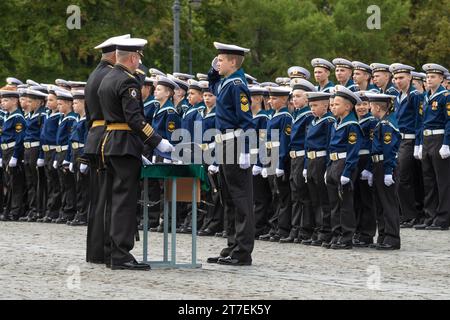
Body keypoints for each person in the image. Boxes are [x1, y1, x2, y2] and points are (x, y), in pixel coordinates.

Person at [98, 37, 173, 270]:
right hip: (124, 144)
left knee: (113, 199)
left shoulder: (107, 78)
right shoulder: (127, 82)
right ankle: (121, 254)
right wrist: (157, 141)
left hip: (110, 143)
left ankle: (112, 251)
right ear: (132, 58)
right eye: (138, 57)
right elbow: (134, 119)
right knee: (125, 201)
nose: (139, 61)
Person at [206, 42, 254, 266]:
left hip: (236, 143)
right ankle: (232, 245)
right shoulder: (226, 83)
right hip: (225, 143)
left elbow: (247, 121)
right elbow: (213, 85)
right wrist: (212, 69)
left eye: (221, 60)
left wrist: (246, 151)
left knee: (240, 198)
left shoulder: (237, 85)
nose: (218, 63)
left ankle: (243, 251)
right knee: (228, 197)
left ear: (233, 62)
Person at [84, 34, 130, 264]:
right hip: (109, 137)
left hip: (95, 136)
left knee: (99, 199)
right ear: (115, 55)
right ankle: (105, 250)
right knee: (108, 199)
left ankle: (96, 251)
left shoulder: (95, 75)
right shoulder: (110, 75)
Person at [326, 85, 363, 250]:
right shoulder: (336, 123)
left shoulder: (352, 125)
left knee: (345, 203)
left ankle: (347, 236)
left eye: (337, 104)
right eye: (332, 104)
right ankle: (336, 234)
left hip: (343, 164)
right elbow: (331, 148)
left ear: (348, 106)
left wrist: (347, 171)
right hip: (334, 163)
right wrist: (328, 168)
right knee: (334, 203)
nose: (333, 107)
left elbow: (353, 151)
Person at [414, 64, 450, 230]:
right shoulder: (426, 97)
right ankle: (430, 216)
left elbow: (449, 121)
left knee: (442, 180)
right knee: (428, 180)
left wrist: (446, 143)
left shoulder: (445, 96)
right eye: (427, 77)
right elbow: (421, 122)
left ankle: (442, 218)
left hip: (439, 137)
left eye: (433, 77)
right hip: (427, 139)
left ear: (441, 79)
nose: (429, 79)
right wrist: (420, 144)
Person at [389, 63, 424, 228]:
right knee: (399, 177)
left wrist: (419, 143)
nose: (397, 81)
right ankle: (404, 213)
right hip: (399, 140)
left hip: (409, 140)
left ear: (410, 77)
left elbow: (419, 120)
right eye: (395, 78)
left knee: (405, 177)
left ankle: (411, 214)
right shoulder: (397, 96)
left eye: (401, 77)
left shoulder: (415, 95)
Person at [366, 92, 401, 249]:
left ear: (378, 107)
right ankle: (383, 235)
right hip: (378, 165)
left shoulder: (387, 124)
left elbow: (388, 150)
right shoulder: (381, 123)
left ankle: (392, 238)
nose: (369, 108)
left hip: (385, 166)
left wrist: (388, 171)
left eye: (371, 106)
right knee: (380, 202)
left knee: (388, 203)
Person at [303, 91, 335, 246]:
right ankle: (318, 229)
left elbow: (330, 144)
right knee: (314, 198)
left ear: (326, 105)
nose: (312, 109)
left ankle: (326, 231)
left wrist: (329, 166)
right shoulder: (313, 120)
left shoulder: (328, 121)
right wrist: (305, 165)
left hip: (321, 160)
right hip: (311, 159)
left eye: (315, 105)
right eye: (310, 106)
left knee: (324, 199)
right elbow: (306, 144)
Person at [263, 86, 293, 243]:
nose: (270, 101)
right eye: (270, 98)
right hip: (270, 155)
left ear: (283, 100)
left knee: (282, 194)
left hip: (278, 155)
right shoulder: (274, 115)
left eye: (274, 98)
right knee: (274, 193)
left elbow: (284, 141)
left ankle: (282, 228)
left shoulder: (285, 117)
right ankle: (274, 226)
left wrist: (281, 163)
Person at [287, 79, 315, 243]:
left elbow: (307, 141)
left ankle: (304, 229)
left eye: (298, 96)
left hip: (302, 156)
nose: (294, 99)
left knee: (302, 195)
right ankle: (296, 227)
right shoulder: (296, 114)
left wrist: (305, 163)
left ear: (307, 99)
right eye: (293, 96)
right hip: (294, 157)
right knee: (295, 194)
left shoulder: (307, 116)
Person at [353, 91, 378, 247]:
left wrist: (369, 168)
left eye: (364, 104)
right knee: (356, 199)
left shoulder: (372, 122)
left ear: (370, 105)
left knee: (367, 200)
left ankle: (367, 233)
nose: (361, 107)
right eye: (358, 104)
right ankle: (358, 230)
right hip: (356, 160)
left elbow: (373, 145)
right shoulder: (358, 121)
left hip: (366, 160)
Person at [19, 89, 48, 222]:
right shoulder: (30, 115)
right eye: (28, 101)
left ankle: (39, 209)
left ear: (40, 102)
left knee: (38, 181)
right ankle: (32, 209)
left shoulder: (42, 115)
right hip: (28, 149)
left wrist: (41, 155)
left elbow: (43, 136)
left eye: (31, 101)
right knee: (30, 181)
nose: (28, 103)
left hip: (36, 148)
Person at [248, 86, 272, 239]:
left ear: (258, 99)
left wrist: (259, 162)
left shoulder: (263, 118)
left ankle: (259, 225)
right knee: (251, 195)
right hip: (248, 158)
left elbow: (263, 141)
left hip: (258, 159)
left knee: (260, 196)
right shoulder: (248, 116)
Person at [0, 89, 26, 221]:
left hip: (12, 151)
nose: (2, 103)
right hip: (5, 152)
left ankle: (15, 211)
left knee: (15, 183)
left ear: (15, 101)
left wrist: (15, 156)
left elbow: (19, 138)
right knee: (7, 182)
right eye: (2, 100)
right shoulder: (8, 116)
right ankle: (8, 208)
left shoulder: (17, 117)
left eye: (6, 100)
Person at [37, 86, 62, 223]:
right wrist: (41, 155)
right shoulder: (48, 115)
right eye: (47, 100)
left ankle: (54, 210)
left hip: (54, 150)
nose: (48, 103)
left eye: (51, 100)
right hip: (46, 151)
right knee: (49, 182)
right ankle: (49, 209)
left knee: (55, 182)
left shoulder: (59, 116)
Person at [53, 89, 78, 224]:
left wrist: (67, 158)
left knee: (69, 185)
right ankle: (64, 210)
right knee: (63, 184)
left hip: (67, 151)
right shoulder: (62, 118)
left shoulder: (72, 119)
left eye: (61, 104)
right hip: (60, 152)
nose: (58, 107)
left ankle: (69, 210)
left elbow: (70, 139)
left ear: (69, 104)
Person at [68, 90, 89, 226]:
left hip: (82, 152)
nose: (73, 106)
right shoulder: (77, 119)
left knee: (84, 186)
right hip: (75, 152)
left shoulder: (87, 120)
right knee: (77, 185)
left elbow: (88, 140)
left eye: (76, 103)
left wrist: (85, 159)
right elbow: (71, 140)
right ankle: (79, 212)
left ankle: (84, 214)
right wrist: (69, 159)